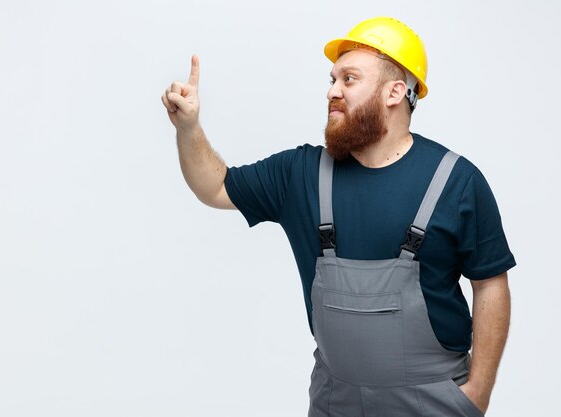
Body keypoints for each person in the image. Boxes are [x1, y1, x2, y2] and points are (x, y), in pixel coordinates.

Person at [161, 16, 515, 417]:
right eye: (331, 80)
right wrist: (188, 129)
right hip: (335, 402)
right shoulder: (301, 173)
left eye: (349, 79)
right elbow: (215, 187)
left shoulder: (456, 181)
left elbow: (490, 285)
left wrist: (478, 394)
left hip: (434, 400)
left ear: (394, 92)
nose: (332, 91)